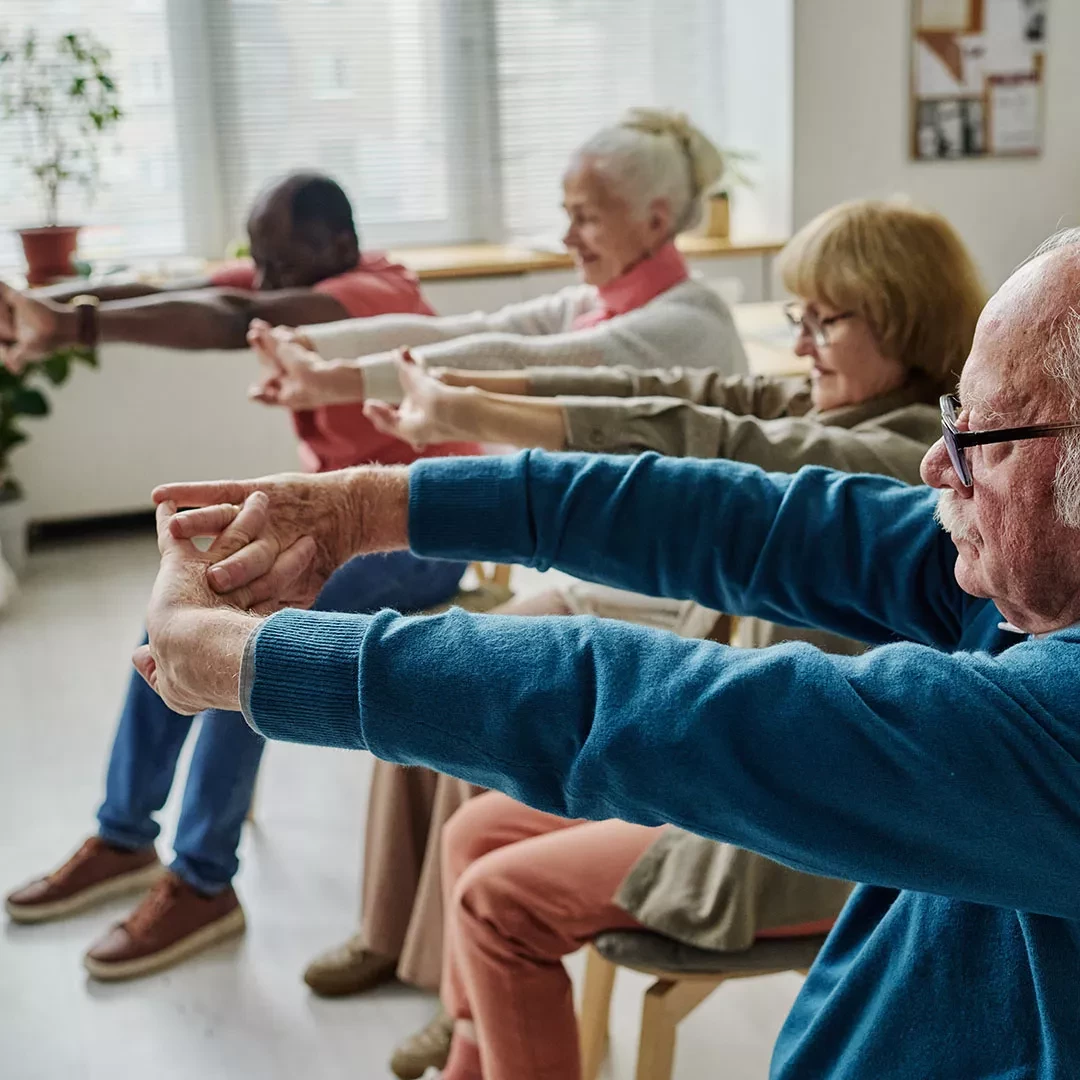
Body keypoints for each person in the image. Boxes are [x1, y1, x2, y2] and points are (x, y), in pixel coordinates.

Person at [142, 226, 1080, 1079]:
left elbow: (650, 709)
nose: (935, 462)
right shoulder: (1023, 580)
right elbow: (744, 522)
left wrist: (257, 662)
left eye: (980, 435)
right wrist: (375, 508)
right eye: (949, 414)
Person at [371, 199, 985, 1078]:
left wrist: (473, 430)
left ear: (905, 316)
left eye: (827, 320)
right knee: (476, 832)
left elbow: (718, 439)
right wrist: (467, 402)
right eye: (796, 318)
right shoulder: (849, 403)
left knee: (495, 900)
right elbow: (685, 397)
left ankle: (486, 1038)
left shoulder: (904, 452)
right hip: (743, 770)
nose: (802, 343)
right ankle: (479, 1050)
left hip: (807, 825)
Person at [244, 107, 749, 1000]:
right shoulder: (599, 296)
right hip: (593, 589)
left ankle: (456, 985)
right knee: (406, 682)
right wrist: (316, 353)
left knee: (457, 698)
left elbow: (520, 360)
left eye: (585, 215)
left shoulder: (686, 322)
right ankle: (392, 931)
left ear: (657, 220)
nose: (567, 235)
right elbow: (452, 332)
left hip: (665, 611)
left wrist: (334, 377)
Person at [2, 172, 475, 981]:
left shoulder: (366, 297)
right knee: (171, 616)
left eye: (277, 261)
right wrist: (56, 305)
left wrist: (75, 323)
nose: (261, 280)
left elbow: (226, 320)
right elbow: (172, 287)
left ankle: (203, 881)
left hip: (423, 531)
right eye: (254, 259)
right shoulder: (295, 275)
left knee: (238, 644)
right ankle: (124, 835)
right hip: (339, 517)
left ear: (337, 247)